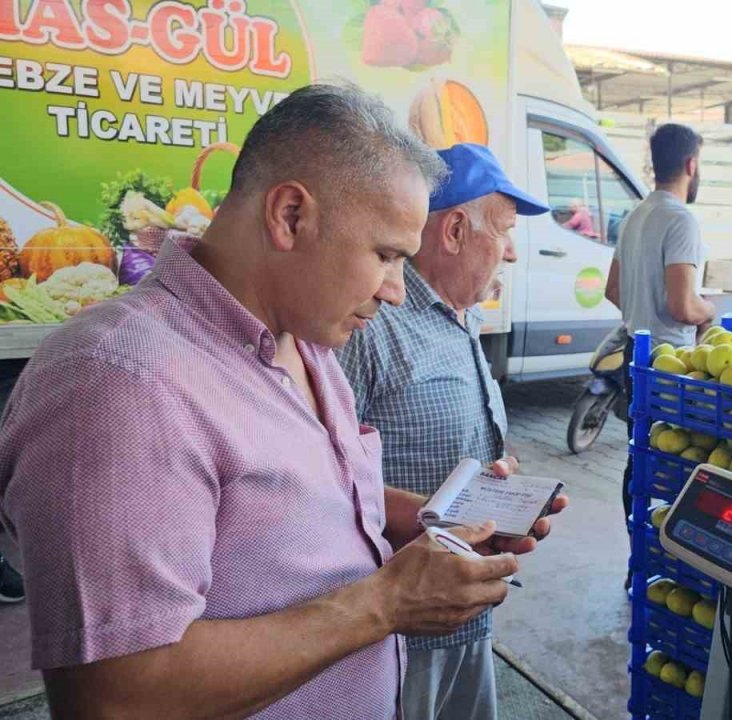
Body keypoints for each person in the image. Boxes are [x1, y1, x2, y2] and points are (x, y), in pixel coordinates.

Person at [0, 84, 528, 719]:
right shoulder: (118, 384)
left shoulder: (307, 345)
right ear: (290, 216)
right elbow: (118, 699)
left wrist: (442, 519)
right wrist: (384, 603)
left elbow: (310, 503)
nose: (395, 292)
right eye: (386, 256)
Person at [338, 143, 566, 720]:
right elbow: (324, 481)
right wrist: (443, 516)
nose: (512, 254)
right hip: (398, 635)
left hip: (468, 614)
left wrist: (497, 491)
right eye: (506, 233)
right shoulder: (370, 327)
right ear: (456, 231)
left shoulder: (460, 318)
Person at [605, 123, 716, 558]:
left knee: (640, 459)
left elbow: (613, 290)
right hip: (673, 364)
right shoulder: (680, 219)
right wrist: (712, 311)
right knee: (681, 465)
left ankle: (640, 554)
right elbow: (684, 306)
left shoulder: (636, 215)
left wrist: (640, 311)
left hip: (636, 355)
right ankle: (673, 557)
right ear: (691, 164)